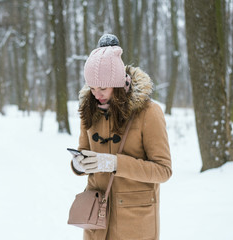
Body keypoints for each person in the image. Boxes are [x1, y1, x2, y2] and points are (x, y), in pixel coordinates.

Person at [71, 34, 172, 240]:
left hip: (135, 222)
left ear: (117, 84)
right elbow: (83, 150)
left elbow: (163, 171)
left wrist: (114, 163)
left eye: (103, 88)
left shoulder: (148, 112)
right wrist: (79, 164)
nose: (96, 93)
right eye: (92, 87)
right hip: (96, 220)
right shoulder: (89, 109)